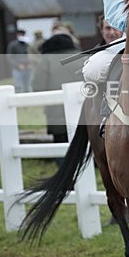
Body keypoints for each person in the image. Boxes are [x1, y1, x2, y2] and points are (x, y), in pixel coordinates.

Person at [31, 31, 79, 166]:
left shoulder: (46, 60)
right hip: (86, 115)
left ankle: (67, 181)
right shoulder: (81, 56)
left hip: (58, 114)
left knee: (62, 150)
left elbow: (38, 86)